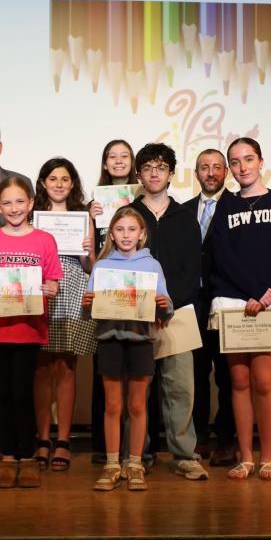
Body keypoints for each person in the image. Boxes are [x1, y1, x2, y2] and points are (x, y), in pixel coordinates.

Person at [207, 137, 271, 480]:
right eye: (235, 161)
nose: (242, 166)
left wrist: (267, 292)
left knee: (264, 381)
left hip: (268, 300)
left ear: (261, 161)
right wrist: (252, 292)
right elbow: (224, 256)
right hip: (234, 300)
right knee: (239, 381)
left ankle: (268, 457)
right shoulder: (226, 206)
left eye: (248, 159)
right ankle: (245, 457)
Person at [0, 176, 62, 488]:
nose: (14, 208)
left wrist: (50, 288)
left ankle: (28, 457)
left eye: (20, 201)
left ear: (32, 203)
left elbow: (54, 284)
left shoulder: (44, 240)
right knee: (5, 394)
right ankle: (8, 457)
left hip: (29, 328)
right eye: (7, 202)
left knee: (24, 393)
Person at [128, 143, 207, 481]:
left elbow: (194, 267)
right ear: (139, 175)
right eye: (147, 167)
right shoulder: (128, 216)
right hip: (135, 315)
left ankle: (184, 454)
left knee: (180, 389)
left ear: (172, 174)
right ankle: (139, 454)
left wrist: (169, 304)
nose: (154, 173)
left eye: (161, 167)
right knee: (138, 390)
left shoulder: (186, 216)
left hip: (179, 314)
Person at [82, 207, 173, 492]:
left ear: (142, 234)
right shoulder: (102, 266)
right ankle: (111, 464)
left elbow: (166, 309)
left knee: (137, 405)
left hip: (141, 341)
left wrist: (163, 305)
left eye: (131, 229)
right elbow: (89, 313)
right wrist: (87, 305)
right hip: (109, 340)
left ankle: (134, 463)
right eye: (120, 229)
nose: (125, 235)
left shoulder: (152, 265)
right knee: (112, 405)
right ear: (111, 233)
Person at [33, 157, 96, 471]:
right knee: (42, 368)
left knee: (66, 367)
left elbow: (90, 266)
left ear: (73, 184)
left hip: (72, 288)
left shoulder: (83, 217)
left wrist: (87, 250)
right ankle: (43, 439)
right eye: (53, 178)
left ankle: (64, 439)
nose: (59, 184)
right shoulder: (31, 216)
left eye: (65, 179)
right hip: (40, 290)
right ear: (43, 182)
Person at [182, 148, 237, 467]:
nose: (211, 172)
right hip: (193, 305)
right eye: (205, 167)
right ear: (197, 173)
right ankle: (199, 436)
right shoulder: (184, 210)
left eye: (217, 167)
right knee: (196, 374)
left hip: (226, 302)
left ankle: (226, 439)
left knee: (228, 376)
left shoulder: (237, 206)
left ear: (226, 172)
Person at [87, 139, 140, 463]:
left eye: (124, 157)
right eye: (112, 157)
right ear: (105, 164)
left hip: (137, 291)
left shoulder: (144, 200)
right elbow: (89, 258)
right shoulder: (95, 203)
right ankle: (103, 447)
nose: (118, 162)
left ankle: (138, 449)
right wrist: (89, 218)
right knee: (105, 373)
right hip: (106, 286)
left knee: (137, 378)